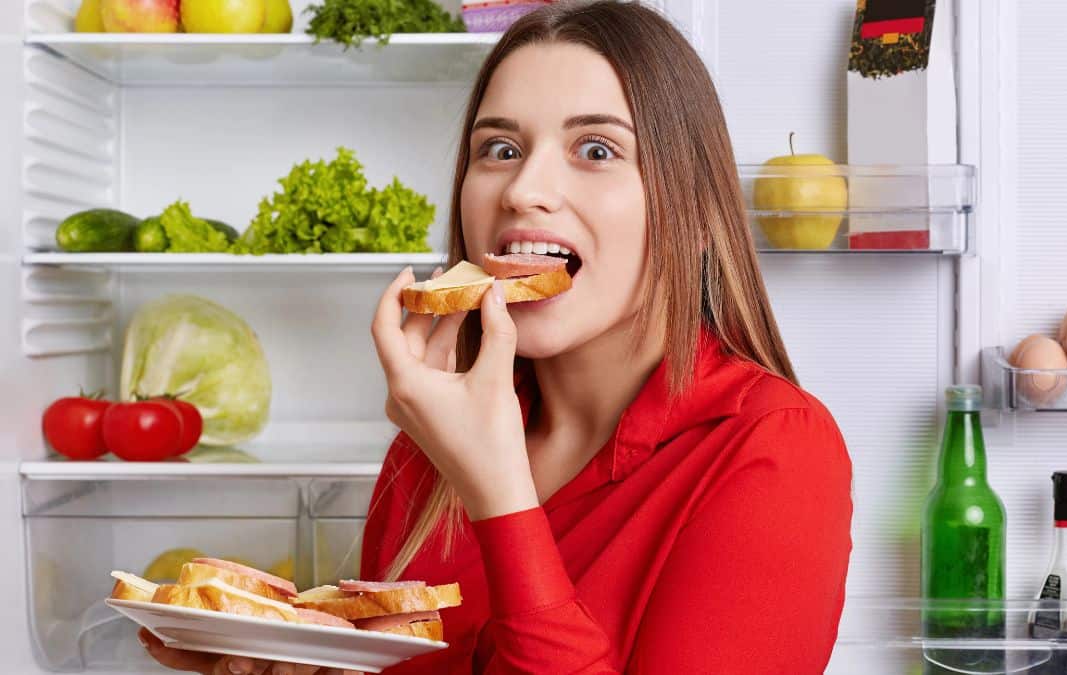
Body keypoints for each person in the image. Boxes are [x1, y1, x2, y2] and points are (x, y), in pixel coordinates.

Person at [139, 2, 853, 673]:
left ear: (695, 213)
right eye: (501, 148)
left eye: (597, 149)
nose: (523, 189)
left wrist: (500, 494)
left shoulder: (775, 448)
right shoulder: (429, 447)